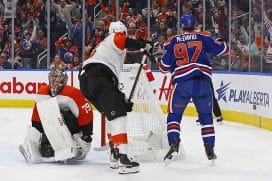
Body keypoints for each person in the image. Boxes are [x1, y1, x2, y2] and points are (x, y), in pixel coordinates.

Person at [79, 20, 152, 174]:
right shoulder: (114, 38)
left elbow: (110, 79)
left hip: (87, 82)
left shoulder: (103, 47)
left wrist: (121, 99)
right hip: (100, 76)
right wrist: (143, 44)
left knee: (111, 115)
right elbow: (123, 41)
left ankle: (114, 153)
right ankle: (124, 159)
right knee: (118, 117)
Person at [159, 14, 228, 165]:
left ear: (181, 26)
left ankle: (174, 143)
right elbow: (224, 50)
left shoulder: (173, 41)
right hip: (202, 83)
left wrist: (165, 58)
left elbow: (163, 68)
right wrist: (221, 41)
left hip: (182, 84)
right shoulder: (203, 36)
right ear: (194, 24)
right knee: (206, 117)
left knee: (174, 116)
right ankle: (209, 148)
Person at [19, 66, 93, 163]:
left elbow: (86, 113)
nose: (54, 79)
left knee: (64, 115)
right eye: (52, 77)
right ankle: (37, 145)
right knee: (44, 145)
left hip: (75, 131)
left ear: (64, 79)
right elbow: (37, 116)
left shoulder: (72, 93)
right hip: (54, 130)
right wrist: (36, 131)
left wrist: (86, 136)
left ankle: (75, 144)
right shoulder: (42, 93)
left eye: (57, 77)